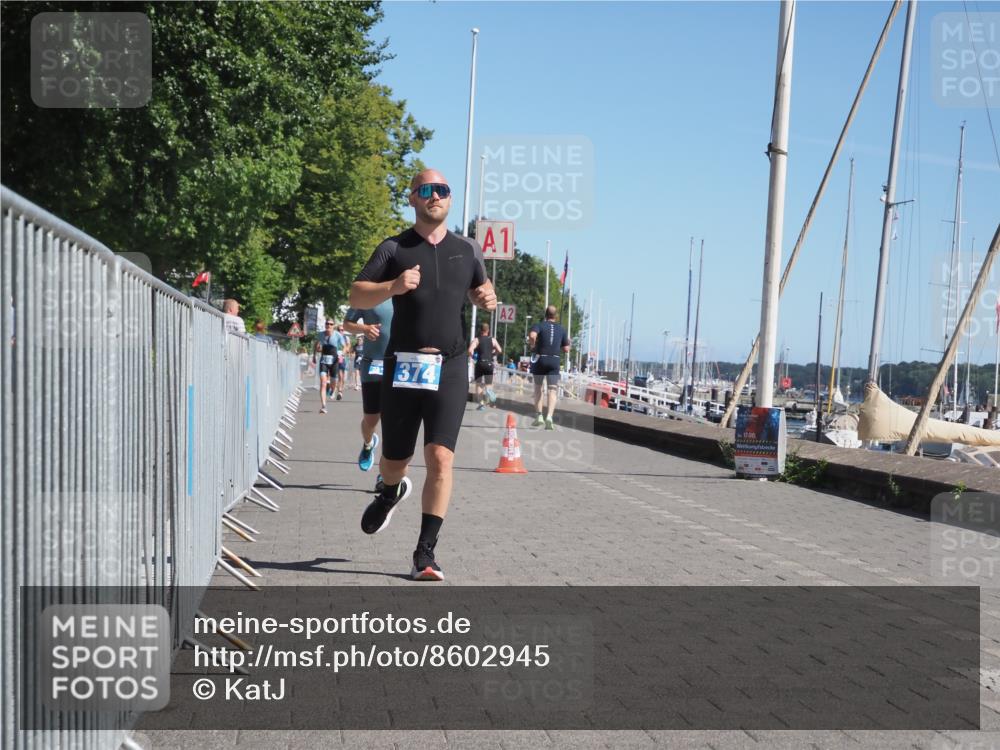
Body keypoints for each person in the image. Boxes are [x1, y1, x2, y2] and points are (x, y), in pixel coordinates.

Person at [349, 168, 496, 581]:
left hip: (450, 366)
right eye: (426, 190)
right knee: (395, 461)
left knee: (441, 458)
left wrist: (485, 297)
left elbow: (479, 290)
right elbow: (356, 293)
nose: (435, 196)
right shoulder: (394, 248)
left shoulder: (467, 250)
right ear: (413, 198)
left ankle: (425, 553)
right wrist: (393, 286)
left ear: (450, 199)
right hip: (404, 365)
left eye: (442, 190)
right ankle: (390, 490)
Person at [343, 300, 393, 488]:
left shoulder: (407, 291)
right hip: (373, 364)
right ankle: (368, 443)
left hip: (399, 365)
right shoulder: (368, 293)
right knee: (371, 419)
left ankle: (385, 475)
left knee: (392, 422)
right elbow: (347, 324)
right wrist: (364, 328)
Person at [529, 305, 570, 430]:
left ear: (545, 314)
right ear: (555, 315)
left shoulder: (539, 325)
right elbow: (566, 349)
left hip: (541, 359)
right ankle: (549, 417)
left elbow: (532, 335)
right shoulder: (562, 329)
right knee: (552, 390)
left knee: (538, 388)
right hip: (554, 360)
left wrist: (532, 346)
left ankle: (539, 416)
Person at [313, 320, 345, 413]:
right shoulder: (320, 334)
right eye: (327, 323)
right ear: (325, 325)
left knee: (333, 383)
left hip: (334, 361)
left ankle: (332, 390)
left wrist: (341, 354)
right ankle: (323, 406)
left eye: (331, 324)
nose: (329, 325)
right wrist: (314, 356)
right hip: (324, 361)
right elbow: (316, 344)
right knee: (323, 383)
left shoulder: (337, 335)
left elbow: (345, 346)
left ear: (333, 326)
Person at [468, 322, 502, 410]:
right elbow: (500, 350)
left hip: (480, 363)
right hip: (489, 363)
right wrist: (493, 354)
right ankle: (489, 392)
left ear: (480, 330)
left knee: (479, 384)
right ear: (488, 330)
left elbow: (470, 350)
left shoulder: (477, 339)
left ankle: (481, 404)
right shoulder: (493, 340)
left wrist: (472, 357)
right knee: (489, 384)